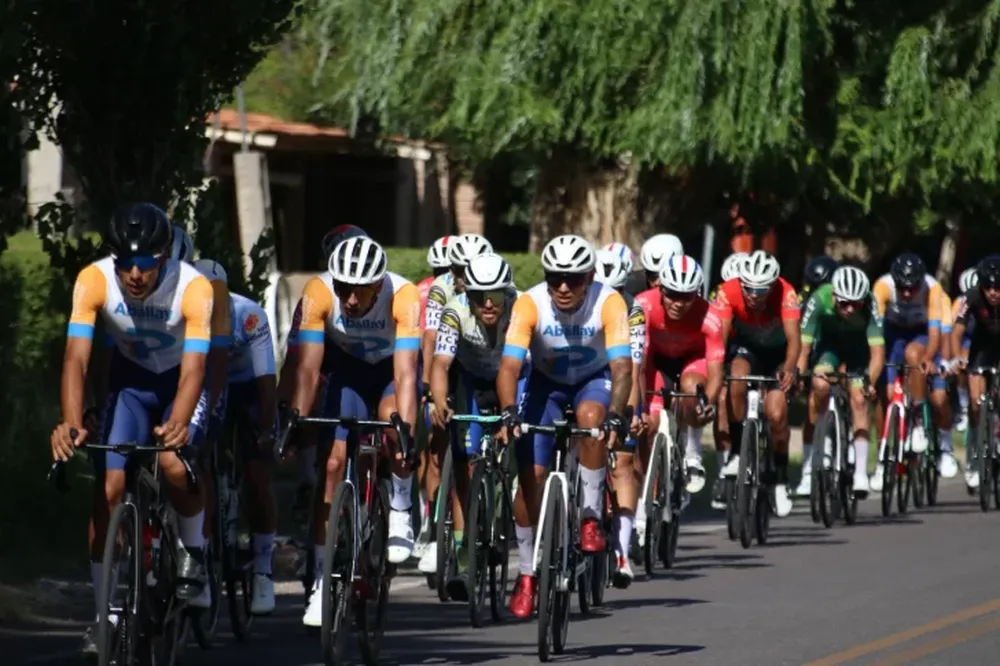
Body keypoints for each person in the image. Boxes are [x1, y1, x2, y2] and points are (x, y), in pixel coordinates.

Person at [50, 204, 215, 655]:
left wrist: (179, 421)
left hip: (180, 381)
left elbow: (196, 367)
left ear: (164, 258)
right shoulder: (95, 280)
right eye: (125, 263)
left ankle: (193, 552)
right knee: (109, 488)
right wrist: (70, 419)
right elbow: (76, 358)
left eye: (145, 264)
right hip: (131, 385)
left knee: (174, 466)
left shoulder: (193, 287)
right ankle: (104, 617)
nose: (135, 275)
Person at [496, 234, 633, 617]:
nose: (563, 287)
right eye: (555, 276)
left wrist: (618, 414)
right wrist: (509, 411)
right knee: (530, 478)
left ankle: (589, 515)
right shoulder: (530, 302)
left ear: (590, 277)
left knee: (592, 420)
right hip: (545, 385)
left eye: (573, 279)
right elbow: (509, 366)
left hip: (593, 380)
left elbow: (623, 368)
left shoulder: (609, 301)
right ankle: (526, 574)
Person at [287, 236, 421, 627]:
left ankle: (399, 506)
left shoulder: (405, 295)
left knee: (392, 416)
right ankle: (322, 584)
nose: (347, 298)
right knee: (331, 464)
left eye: (357, 289)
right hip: (348, 372)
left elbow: (407, 373)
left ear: (377, 285)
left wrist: (407, 433)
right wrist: (296, 418)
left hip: (390, 374)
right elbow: (309, 369)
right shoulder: (318, 291)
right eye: (342, 287)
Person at [427, 254, 520, 597]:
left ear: (506, 292)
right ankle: (465, 562)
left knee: (520, 442)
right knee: (465, 457)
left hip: (514, 379)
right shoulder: (455, 311)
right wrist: (439, 402)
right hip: (471, 383)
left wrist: (513, 413)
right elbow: (441, 362)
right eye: (479, 296)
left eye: (494, 294)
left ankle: (508, 503)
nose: (488, 304)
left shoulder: (520, 308)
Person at [194, 259, 279, 614]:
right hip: (203, 383)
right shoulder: (187, 312)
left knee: (257, 473)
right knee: (196, 461)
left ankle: (263, 569)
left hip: (246, 387)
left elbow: (265, 379)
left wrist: (266, 428)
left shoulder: (249, 315)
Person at [278, 224, 368, 528]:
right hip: (328, 361)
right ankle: (308, 479)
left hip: (368, 366)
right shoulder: (316, 294)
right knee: (310, 396)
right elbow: (296, 359)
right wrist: (286, 410)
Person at [418, 233, 493, 574]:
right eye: (457, 269)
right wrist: (432, 392)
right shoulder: (442, 290)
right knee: (446, 446)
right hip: (459, 368)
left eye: (470, 270)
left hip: (500, 370)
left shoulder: (499, 293)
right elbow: (432, 339)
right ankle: (436, 532)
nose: (463, 277)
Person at [635, 255, 724, 537]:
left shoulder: (710, 316)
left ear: (696, 295)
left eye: (685, 297)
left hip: (691, 361)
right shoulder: (643, 305)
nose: (677, 303)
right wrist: (637, 406)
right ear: (660, 289)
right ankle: (645, 491)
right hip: (654, 360)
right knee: (649, 421)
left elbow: (716, 371)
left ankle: (692, 452)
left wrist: (705, 404)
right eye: (671, 294)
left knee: (691, 389)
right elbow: (639, 361)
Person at [712, 250, 800, 517]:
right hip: (746, 349)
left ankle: (781, 478)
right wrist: (718, 370)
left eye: (760, 290)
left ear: (772, 286)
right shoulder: (728, 291)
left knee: (776, 414)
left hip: (777, 353)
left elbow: (795, 341)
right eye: (748, 288)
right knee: (737, 378)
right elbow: (721, 336)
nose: (753, 294)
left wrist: (789, 368)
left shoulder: (787, 294)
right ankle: (738, 450)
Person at [796, 266, 885, 497]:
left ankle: (860, 473)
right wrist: (798, 376)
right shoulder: (819, 298)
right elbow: (804, 348)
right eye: (844, 303)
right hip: (829, 348)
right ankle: (824, 440)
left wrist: (869, 382)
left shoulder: (870, 302)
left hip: (858, 351)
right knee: (820, 384)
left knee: (859, 399)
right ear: (834, 295)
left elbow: (877, 354)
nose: (849, 309)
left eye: (855, 304)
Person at [870, 253, 950, 491]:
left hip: (922, 333)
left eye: (911, 289)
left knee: (914, 356)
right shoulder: (883, 286)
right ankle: (883, 456)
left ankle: (916, 417)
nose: (906, 294)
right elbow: (875, 330)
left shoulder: (932, 288)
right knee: (884, 392)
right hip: (892, 334)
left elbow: (935, 334)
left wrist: (928, 358)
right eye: (902, 288)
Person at [594, 249, 646, 586]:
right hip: (578, 376)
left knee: (624, 461)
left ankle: (622, 551)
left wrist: (634, 411)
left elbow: (634, 367)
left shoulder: (634, 310)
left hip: (616, 376)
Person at [952, 256, 1000, 490]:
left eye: (998, 287)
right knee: (974, 402)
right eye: (988, 287)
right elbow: (957, 331)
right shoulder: (971, 297)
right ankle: (973, 458)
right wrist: (956, 358)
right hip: (982, 347)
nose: (992, 292)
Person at [953, 267, 978, 432]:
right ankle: (963, 406)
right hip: (968, 338)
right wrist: (955, 358)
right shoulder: (960, 303)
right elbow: (953, 333)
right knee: (963, 357)